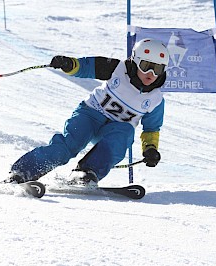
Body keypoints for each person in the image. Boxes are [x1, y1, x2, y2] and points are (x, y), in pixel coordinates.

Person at [9, 38, 169, 185]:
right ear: (135, 61)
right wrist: (69, 64)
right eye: (147, 67)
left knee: (125, 133)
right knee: (68, 147)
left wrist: (150, 149)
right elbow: (86, 67)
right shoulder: (117, 69)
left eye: (158, 69)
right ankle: (23, 171)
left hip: (115, 129)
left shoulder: (155, 100)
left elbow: (151, 129)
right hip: (90, 115)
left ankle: (85, 173)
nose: (151, 74)